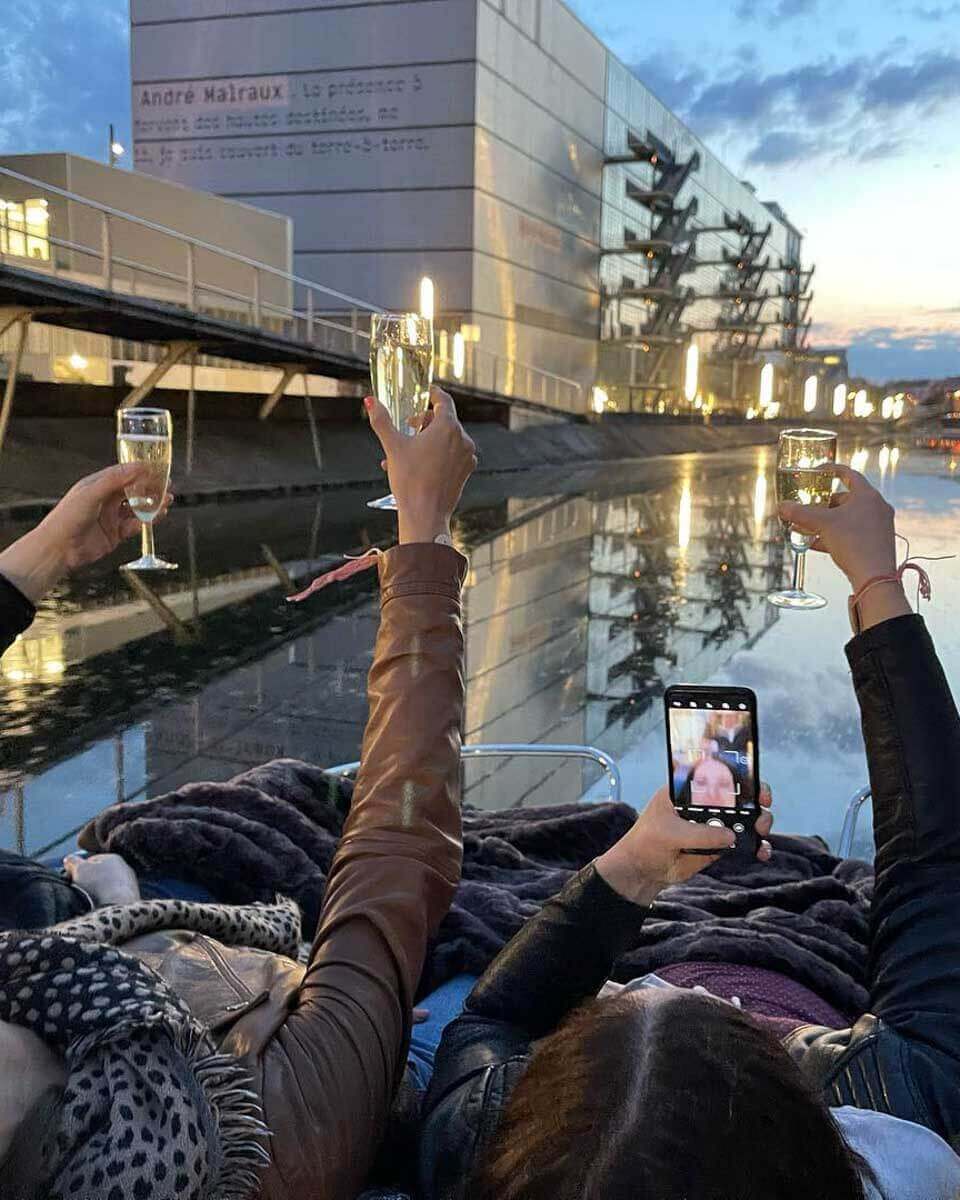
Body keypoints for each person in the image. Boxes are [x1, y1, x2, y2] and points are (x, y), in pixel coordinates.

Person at [419, 464, 960, 1200]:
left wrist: (637, 867)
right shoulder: (905, 1139)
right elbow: (938, 867)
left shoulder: (480, 1144)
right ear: (824, 1145)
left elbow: (490, 1018)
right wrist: (875, 579)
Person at [0, 387, 478, 1200]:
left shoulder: (54, 1027)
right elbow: (397, 855)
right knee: (475, 1006)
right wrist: (424, 542)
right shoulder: (256, 1145)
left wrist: (40, 560)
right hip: (318, 1053)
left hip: (150, 952)